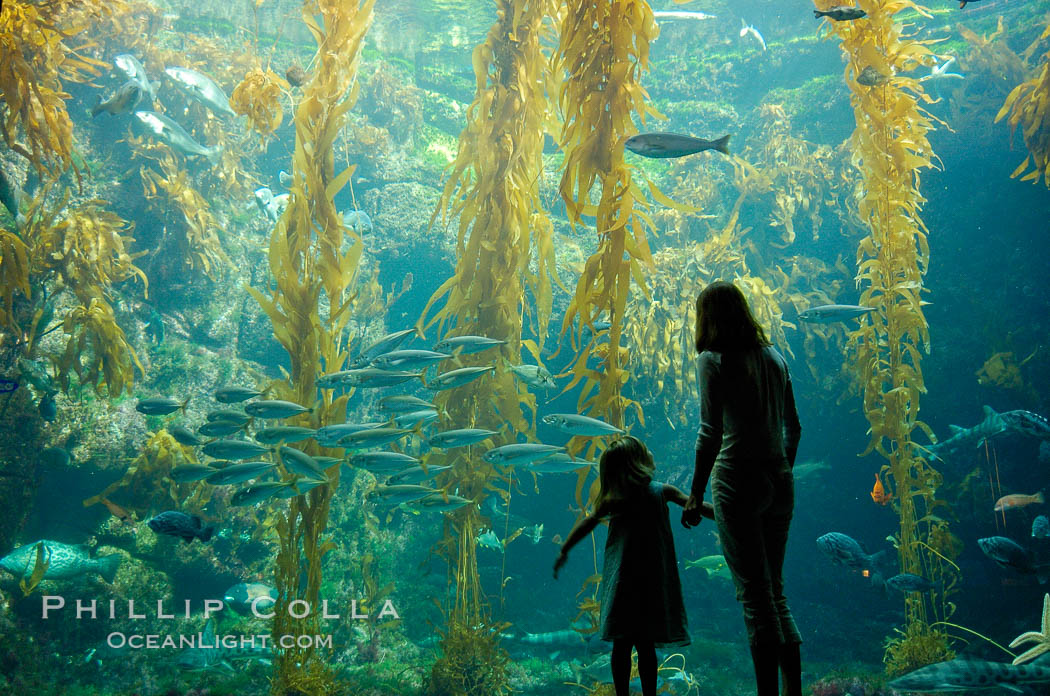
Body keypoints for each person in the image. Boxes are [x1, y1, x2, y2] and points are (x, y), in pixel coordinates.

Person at [681, 280, 803, 696]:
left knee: (755, 597)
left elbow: (710, 433)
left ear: (706, 318)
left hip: (738, 478)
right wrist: (782, 469)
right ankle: (792, 691)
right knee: (777, 592)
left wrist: (696, 493)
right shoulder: (775, 357)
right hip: (780, 479)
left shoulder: (713, 360)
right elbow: (794, 428)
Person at [553, 435, 710, 696]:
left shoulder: (615, 501)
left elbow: (587, 524)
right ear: (637, 463)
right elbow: (698, 506)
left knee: (622, 646)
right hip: (650, 583)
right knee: (645, 646)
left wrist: (565, 550)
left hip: (624, 584)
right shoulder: (661, 491)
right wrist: (729, 518)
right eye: (645, 450)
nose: (650, 451)